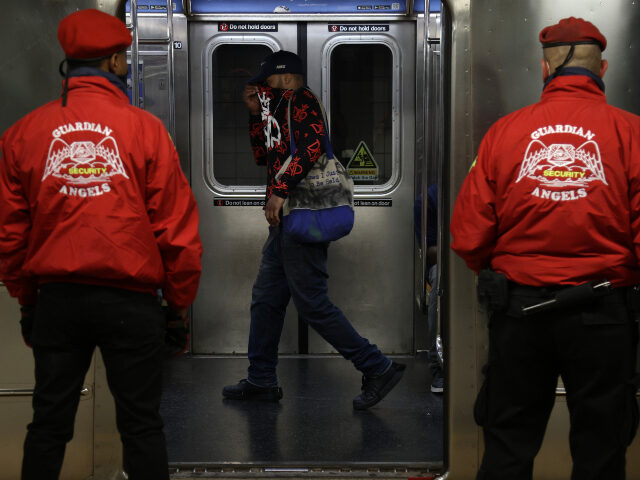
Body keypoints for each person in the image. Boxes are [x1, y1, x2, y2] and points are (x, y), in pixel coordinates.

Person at [0, 9, 203, 480]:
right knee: (141, 426)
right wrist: (177, 306)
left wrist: (28, 301)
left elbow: (11, 234)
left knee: (49, 425)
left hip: (56, 299)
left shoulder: (23, 135)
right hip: (131, 304)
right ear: (114, 61)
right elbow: (177, 231)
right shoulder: (147, 131)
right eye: (124, 57)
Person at [450, 17, 640, 480]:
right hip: (604, 314)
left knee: (509, 443)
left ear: (544, 68)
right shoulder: (631, 133)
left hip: (520, 313)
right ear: (604, 68)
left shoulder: (503, 133)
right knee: (601, 447)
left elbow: (468, 234)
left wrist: (502, 277)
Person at [222, 50, 404, 410]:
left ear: (287, 77)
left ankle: (376, 366)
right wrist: (255, 115)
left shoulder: (301, 101)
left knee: (312, 303)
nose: (263, 88)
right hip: (285, 222)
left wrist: (279, 190)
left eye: (267, 81)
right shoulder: (277, 108)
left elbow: (313, 146)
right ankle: (261, 378)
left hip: (303, 215)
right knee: (266, 300)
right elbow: (264, 155)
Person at [414, 185, 444, 393]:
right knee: (441, 279)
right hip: (445, 259)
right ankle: (439, 366)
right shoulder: (429, 199)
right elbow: (430, 251)